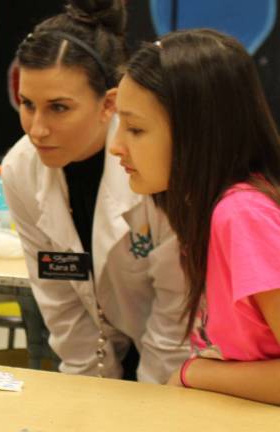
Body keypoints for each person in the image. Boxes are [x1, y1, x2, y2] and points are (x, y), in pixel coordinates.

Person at [1, 0, 189, 383]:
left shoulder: (155, 165)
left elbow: (175, 318)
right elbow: (62, 306)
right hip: (104, 352)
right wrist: (89, 401)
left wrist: (150, 407)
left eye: (58, 108)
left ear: (109, 104)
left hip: (181, 359)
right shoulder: (21, 169)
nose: (36, 129)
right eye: (27, 104)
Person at [110, 29, 280, 405]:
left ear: (196, 132)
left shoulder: (241, 216)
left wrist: (195, 373)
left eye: (135, 129)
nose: (116, 146)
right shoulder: (202, 212)